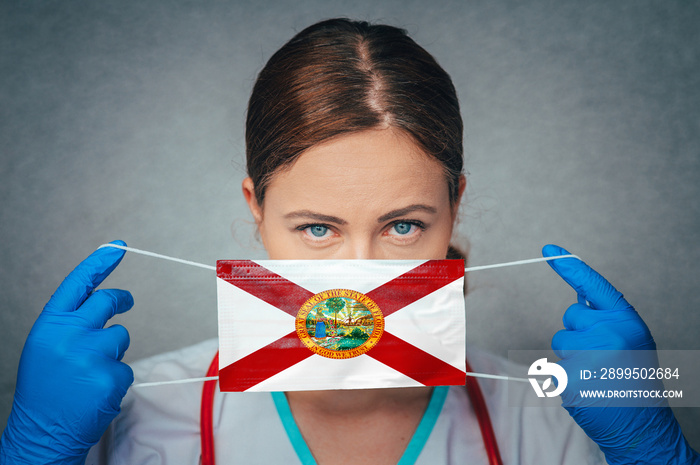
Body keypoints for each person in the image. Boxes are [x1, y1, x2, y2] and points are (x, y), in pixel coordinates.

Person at [1, 18, 697, 465]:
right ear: (256, 208)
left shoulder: (557, 420)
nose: (357, 273)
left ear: (453, 209)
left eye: (403, 226)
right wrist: (34, 455)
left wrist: (654, 453)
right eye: (317, 228)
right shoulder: (132, 416)